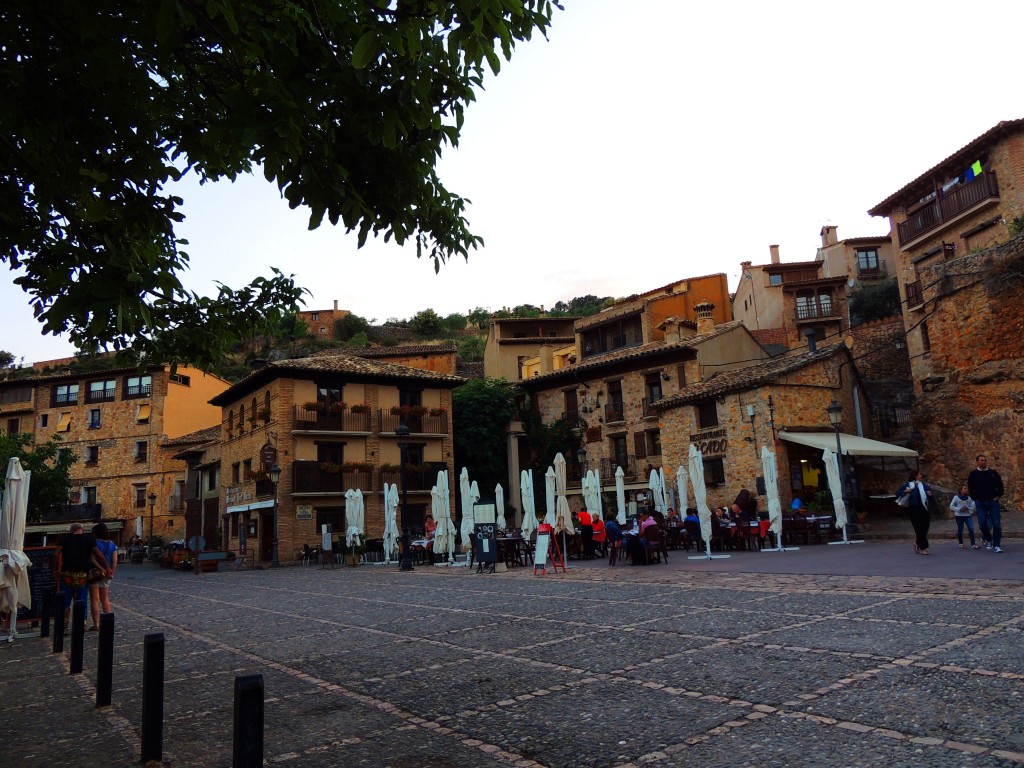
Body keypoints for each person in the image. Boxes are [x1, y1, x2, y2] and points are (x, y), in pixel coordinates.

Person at [57, 523, 110, 629]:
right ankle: (81, 623)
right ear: (82, 529)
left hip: (67, 573)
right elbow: (98, 554)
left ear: (71, 531)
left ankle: (64, 624)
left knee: (66, 599)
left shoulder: (64, 538)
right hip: (82, 574)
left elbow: (55, 554)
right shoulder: (88, 538)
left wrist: (56, 570)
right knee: (81, 599)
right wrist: (107, 567)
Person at [968, 454, 1004, 553]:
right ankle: (988, 539)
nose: (984, 462)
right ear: (977, 462)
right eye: (981, 460)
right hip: (980, 502)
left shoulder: (992, 473)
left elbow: (1000, 485)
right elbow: (971, 488)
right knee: (982, 523)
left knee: (996, 524)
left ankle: (997, 545)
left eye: (985, 460)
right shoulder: (973, 474)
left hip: (993, 502)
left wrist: (998, 496)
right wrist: (975, 498)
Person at [88, 523, 118, 630]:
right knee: (105, 598)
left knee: (94, 599)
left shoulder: (94, 543)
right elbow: (115, 562)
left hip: (96, 573)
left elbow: (92, 559)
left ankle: (96, 624)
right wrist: (111, 572)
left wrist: (101, 569)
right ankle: (108, 621)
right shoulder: (112, 544)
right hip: (108, 574)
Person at [898, 471, 933, 555]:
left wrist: (929, 494)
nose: (921, 475)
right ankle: (924, 548)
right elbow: (898, 493)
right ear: (915, 476)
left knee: (925, 527)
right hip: (913, 508)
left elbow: (927, 495)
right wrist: (906, 491)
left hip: (924, 508)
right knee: (918, 528)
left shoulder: (924, 485)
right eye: (919, 474)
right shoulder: (909, 484)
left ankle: (917, 543)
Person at [949, 484, 977, 550]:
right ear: (961, 490)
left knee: (971, 528)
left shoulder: (969, 498)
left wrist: (969, 509)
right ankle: (961, 543)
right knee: (960, 529)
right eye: (964, 488)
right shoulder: (956, 497)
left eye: (966, 488)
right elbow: (951, 506)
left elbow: (972, 506)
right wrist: (959, 509)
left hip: (967, 515)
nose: (966, 490)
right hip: (959, 515)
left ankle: (973, 544)